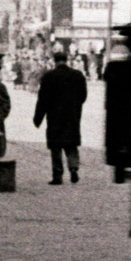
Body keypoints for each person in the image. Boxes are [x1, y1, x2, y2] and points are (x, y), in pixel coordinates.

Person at [34, 49, 87, 185]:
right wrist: (75, 107)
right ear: (67, 60)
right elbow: (83, 96)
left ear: (55, 61)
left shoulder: (49, 76)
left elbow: (43, 100)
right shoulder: (78, 75)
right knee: (71, 144)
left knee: (56, 146)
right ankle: (73, 167)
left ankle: (57, 175)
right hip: (72, 116)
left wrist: (37, 118)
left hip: (54, 116)